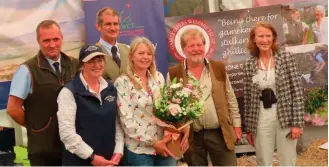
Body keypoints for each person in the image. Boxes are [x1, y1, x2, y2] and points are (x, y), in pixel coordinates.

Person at [6, 20, 79, 166]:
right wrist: (36, 127)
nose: (52, 45)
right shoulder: (27, 70)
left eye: (56, 39)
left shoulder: (75, 64)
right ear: (38, 41)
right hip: (44, 152)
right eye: (46, 40)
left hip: (74, 147)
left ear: (62, 38)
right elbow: (13, 109)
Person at [168, 28, 242, 166]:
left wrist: (237, 125)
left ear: (204, 47)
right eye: (191, 45)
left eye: (199, 45)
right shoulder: (174, 73)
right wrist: (179, 128)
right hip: (192, 137)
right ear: (184, 49)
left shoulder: (218, 68)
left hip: (220, 133)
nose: (196, 49)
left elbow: (230, 98)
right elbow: (170, 105)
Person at [115, 36, 188, 166]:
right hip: (139, 150)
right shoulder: (122, 82)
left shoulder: (158, 77)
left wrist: (182, 126)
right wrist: (153, 143)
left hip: (166, 145)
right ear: (131, 56)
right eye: (141, 53)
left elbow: (169, 111)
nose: (145, 57)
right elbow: (126, 122)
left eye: (149, 53)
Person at [244, 21, 304, 166]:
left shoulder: (286, 58)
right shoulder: (249, 64)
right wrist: (250, 129)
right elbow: (248, 98)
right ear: (254, 39)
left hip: (285, 115)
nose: (265, 40)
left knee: (287, 159)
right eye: (260, 36)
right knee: (263, 159)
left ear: (274, 38)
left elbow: (297, 92)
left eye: (268, 36)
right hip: (261, 117)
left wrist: (297, 123)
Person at [57, 45, 124, 165]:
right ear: (82, 65)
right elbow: (67, 134)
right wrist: (92, 157)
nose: (97, 65)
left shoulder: (111, 89)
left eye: (100, 60)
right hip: (80, 161)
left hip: (109, 162)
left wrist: (118, 151)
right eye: (91, 61)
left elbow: (117, 124)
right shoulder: (69, 92)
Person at [95, 7, 130, 82]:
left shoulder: (129, 50)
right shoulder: (93, 53)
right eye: (108, 24)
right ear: (98, 26)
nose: (113, 28)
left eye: (115, 24)